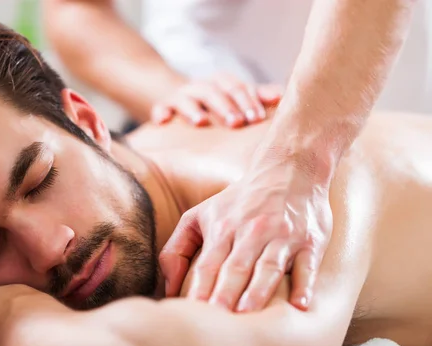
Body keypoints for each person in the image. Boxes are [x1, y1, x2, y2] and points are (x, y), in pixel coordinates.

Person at [0, 15, 432, 346]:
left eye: (40, 181)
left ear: (89, 123)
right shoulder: (126, 164)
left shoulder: (287, 206)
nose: (49, 247)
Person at [48, 0, 423, 312]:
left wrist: (297, 162)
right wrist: (169, 91)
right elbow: (74, 7)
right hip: (183, 100)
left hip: (366, 102)